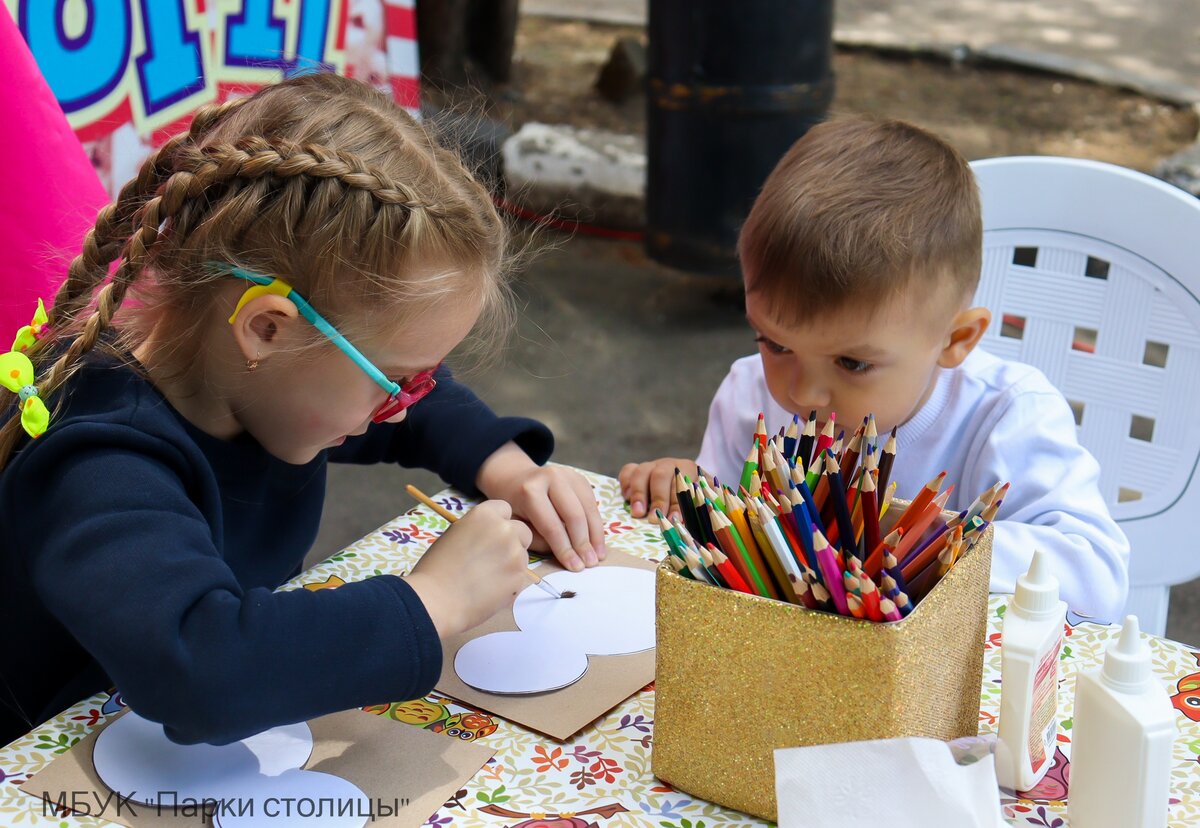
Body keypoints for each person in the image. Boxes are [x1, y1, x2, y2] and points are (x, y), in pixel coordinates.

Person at [0, 73, 605, 747]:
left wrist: (507, 467)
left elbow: (424, 411)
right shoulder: (98, 464)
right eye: (397, 380)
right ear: (267, 329)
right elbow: (204, 673)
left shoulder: (255, 383)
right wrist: (432, 602)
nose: (402, 409)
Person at [620, 116, 1128, 622]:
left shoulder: (1007, 414)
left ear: (955, 340)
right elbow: (730, 544)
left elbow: (1097, 577)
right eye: (775, 342)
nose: (804, 392)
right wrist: (689, 488)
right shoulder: (748, 391)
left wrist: (908, 543)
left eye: (853, 362)